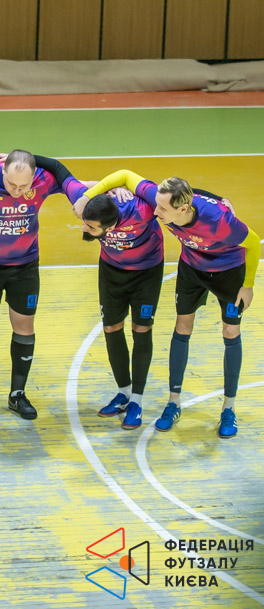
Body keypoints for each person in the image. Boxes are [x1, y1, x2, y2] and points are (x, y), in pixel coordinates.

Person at [80, 171, 259, 438]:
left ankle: (228, 408)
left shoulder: (220, 221)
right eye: (158, 204)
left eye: (162, 209)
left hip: (228, 270)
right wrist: (107, 190)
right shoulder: (161, 201)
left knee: (230, 331)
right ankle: (173, 403)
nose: (156, 211)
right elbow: (126, 176)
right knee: (182, 326)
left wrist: (248, 285)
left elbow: (253, 243)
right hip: (192, 267)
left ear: (183, 209)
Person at [0, 150, 86, 420]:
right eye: (11, 184)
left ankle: (17, 394)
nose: (17, 191)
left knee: (24, 325)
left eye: (23, 186)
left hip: (25, 265)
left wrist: (115, 188)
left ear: (34, 176)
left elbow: (77, 185)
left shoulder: (45, 180)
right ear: (2, 170)